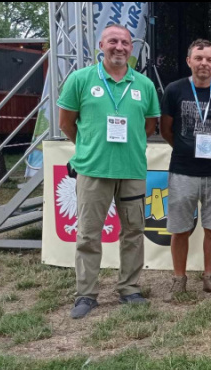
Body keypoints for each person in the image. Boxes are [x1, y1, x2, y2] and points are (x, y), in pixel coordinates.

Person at [57, 24, 160, 319]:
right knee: (89, 234)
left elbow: (149, 127)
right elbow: (66, 123)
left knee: (133, 232)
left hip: (132, 170)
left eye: (125, 43)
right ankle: (86, 294)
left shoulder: (144, 84)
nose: (119, 47)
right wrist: (89, 145)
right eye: (113, 41)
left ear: (132, 48)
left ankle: (129, 288)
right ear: (100, 45)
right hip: (93, 170)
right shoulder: (81, 79)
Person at [160, 39, 211, 300]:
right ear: (189, 61)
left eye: (209, 59)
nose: (204, 63)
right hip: (183, 170)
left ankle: (209, 278)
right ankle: (179, 280)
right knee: (180, 228)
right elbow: (166, 129)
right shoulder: (174, 90)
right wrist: (184, 149)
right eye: (199, 58)